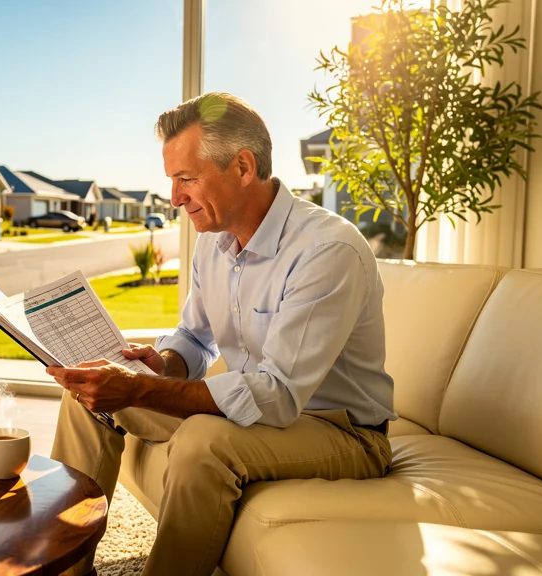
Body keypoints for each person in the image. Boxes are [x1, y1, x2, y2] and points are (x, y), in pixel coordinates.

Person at [48, 92, 396, 576]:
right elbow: (194, 337)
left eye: (187, 179)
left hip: (342, 430)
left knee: (203, 441)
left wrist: (142, 389)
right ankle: (63, 569)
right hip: (258, 412)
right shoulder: (213, 244)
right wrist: (162, 365)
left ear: (244, 167)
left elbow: (276, 395)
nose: (174, 199)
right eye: (172, 180)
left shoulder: (326, 250)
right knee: (88, 392)